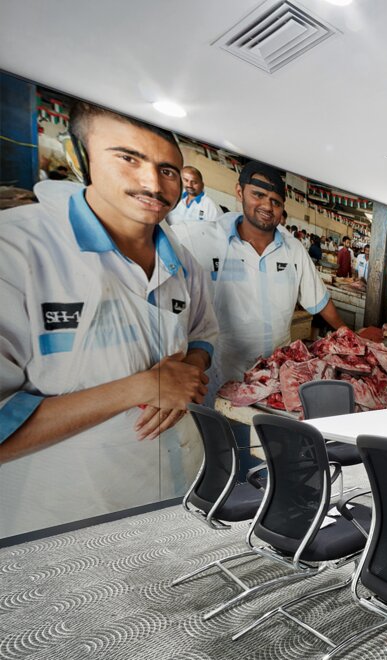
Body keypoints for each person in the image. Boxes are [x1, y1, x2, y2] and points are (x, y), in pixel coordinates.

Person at [0, 101, 216, 537]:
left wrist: (190, 369)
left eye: (168, 169)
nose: (152, 182)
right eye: (128, 158)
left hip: (176, 485)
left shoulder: (184, 264)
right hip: (62, 511)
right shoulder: (18, 251)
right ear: (82, 157)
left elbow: (203, 335)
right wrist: (140, 387)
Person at [170, 160, 347, 389]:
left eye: (275, 202)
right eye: (258, 195)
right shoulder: (204, 239)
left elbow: (320, 302)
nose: (267, 206)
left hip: (276, 378)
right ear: (239, 191)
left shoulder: (293, 250)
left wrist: (349, 336)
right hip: (222, 376)